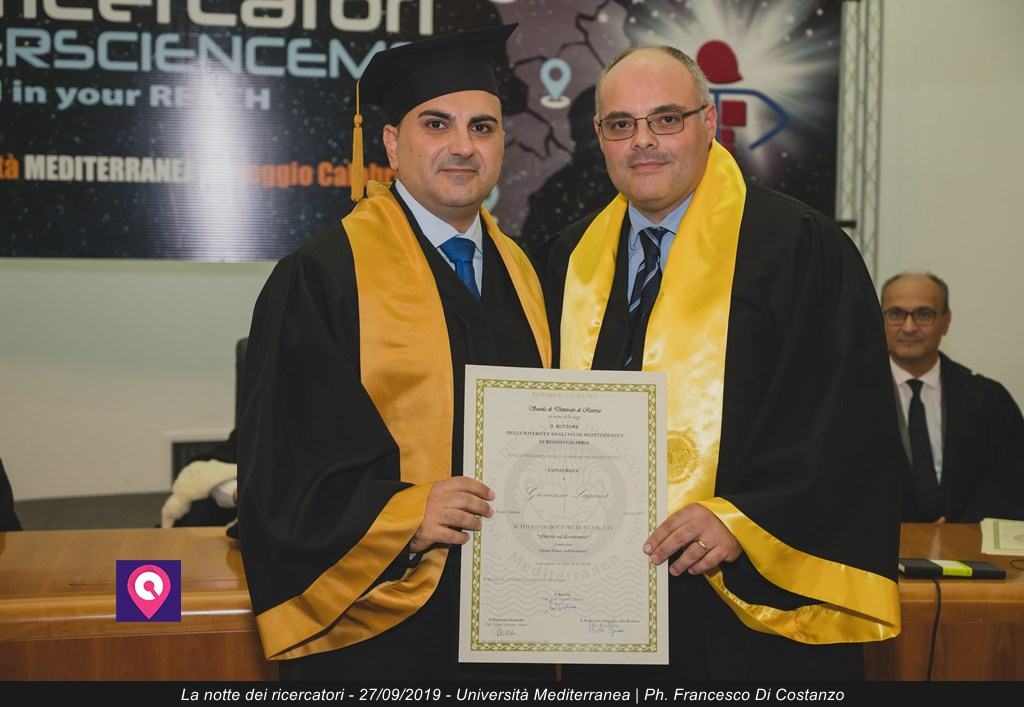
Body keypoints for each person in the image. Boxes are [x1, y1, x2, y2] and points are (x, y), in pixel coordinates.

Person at [543, 46, 901, 680]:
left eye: (666, 119)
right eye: (621, 124)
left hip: (747, 611)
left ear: (709, 122)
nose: (643, 141)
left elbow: (847, 418)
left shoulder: (800, 246)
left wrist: (744, 518)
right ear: (599, 136)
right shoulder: (568, 259)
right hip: (602, 608)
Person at [237, 24, 552, 681]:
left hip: (513, 617)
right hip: (382, 624)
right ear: (390, 144)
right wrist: (405, 513)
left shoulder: (527, 274)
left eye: (483, 127)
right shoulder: (324, 275)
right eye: (436, 125)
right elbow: (282, 470)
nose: (462, 146)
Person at [881, 272, 1024, 523]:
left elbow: (1013, 479)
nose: (909, 327)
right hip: (879, 543)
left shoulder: (989, 401)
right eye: (896, 314)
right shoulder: (850, 401)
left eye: (924, 314)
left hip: (971, 541)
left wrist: (964, 527)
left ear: (946, 321)